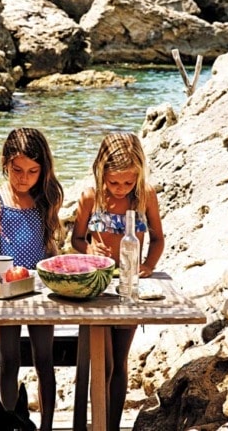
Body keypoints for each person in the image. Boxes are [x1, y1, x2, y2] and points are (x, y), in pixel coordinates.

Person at [71, 132, 164, 431]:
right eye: (114, 182)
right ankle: (90, 421)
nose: (121, 188)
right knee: (101, 362)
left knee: (120, 360)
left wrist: (148, 265)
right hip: (95, 289)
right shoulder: (91, 197)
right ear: (101, 171)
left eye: (128, 182)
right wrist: (88, 248)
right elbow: (75, 238)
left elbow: (158, 239)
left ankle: (111, 425)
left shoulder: (145, 196)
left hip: (127, 287)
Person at [0, 128, 64, 431]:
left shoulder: (47, 197)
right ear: (5, 164)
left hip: (39, 291)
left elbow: (51, 246)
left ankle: (48, 425)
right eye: (17, 170)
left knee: (44, 359)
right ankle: (8, 423)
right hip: (7, 289)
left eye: (33, 171)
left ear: (43, 170)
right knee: (9, 359)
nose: (24, 178)